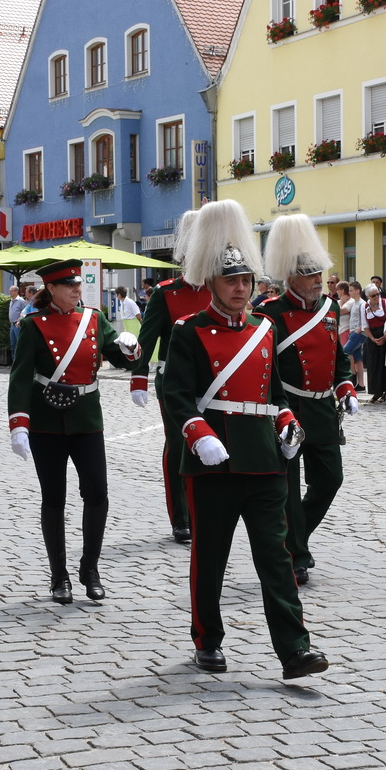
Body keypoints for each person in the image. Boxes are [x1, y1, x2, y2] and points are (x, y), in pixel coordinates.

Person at [159, 200, 328, 679]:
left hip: (265, 459)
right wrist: (198, 434)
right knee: (210, 557)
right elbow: (176, 395)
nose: (240, 288)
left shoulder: (264, 329)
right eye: (230, 280)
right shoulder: (188, 331)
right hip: (214, 461)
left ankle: (294, 650)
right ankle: (207, 640)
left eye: (246, 280)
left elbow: (275, 392)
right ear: (211, 282)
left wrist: (287, 422)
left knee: (276, 557)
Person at [9, 258, 140, 603]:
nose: (76, 290)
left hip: (86, 419)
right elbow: (20, 377)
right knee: (54, 499)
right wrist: (19, 424)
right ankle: (59, 576)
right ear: (51, 288)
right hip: (47, 422)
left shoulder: (93, 319)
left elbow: (120, 357)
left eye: (78, 284)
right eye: (69, 285)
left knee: (97, 493)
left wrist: (130, 347)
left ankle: (90, 568)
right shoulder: (33, 325)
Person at [258, 214, 361, 586]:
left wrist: (345, 387)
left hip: (321, 408)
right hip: (287, 409)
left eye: (320, 273)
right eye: (310, 275)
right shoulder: (269, 314)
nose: (319, 280)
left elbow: (337, 359)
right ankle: (295, 555)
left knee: (331, 479)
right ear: (291, 277)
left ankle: (292, 538)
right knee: (287, 489)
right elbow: (265, 369)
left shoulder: (329, 308)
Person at [130, 208, 212, 545]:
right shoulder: (167, 293)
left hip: (213, 381)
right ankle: (181, 517)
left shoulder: (218, 289)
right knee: (179, 445)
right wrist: (138, 377)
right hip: (174, 379)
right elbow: (147, 338)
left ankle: (206, 509)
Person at [362, 285, 386, 401]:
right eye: (373, 295)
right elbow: (365, 326)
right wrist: (373, 338)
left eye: (378, 294)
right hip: (372, 337)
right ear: (368, 296)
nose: (376, 297)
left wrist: (384, 337)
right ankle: (376, 391)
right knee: (373, 365)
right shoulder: (364, 306)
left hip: (385, 335)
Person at [7, 284, 27, 356]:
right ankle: (14, 360)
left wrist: (20, 321)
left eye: (11, 291)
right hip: (12, 325)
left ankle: (19, 360)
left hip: (18, 325)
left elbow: (24, 312)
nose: (10, 292)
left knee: (19, 344)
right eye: (9, 291)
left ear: (16, 292)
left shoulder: (21, 301)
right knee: (13, 345)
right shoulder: (11, 301)